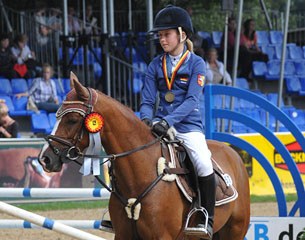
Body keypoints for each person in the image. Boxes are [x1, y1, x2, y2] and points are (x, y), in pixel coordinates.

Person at [140, 5, 215, 239]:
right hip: (159, 126)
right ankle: (124, 211)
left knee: (202, 161)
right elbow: (147, 99)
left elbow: (192, 100)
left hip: (187, 127)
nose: (162, 39)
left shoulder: (197, 64)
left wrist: (167, 121)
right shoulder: (155, 65)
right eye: (160, 35)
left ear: (182, 35)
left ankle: (206, 216)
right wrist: (146, 121)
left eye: (167, 34)